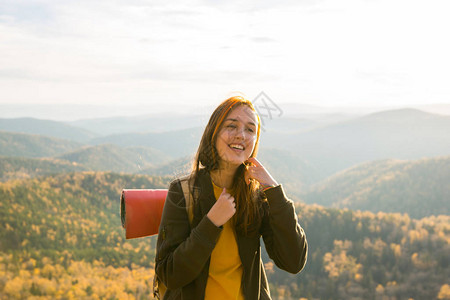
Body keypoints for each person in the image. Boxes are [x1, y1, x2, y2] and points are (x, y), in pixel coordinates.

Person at [154, 96, 307, 299]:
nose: (241, 135)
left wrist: (275, 192)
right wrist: (211, 223)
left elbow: (293, 261)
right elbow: (169, 274)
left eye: (250, 129)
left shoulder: (256, 196)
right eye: (231, 126)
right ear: (213, 133)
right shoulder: (183, 191)